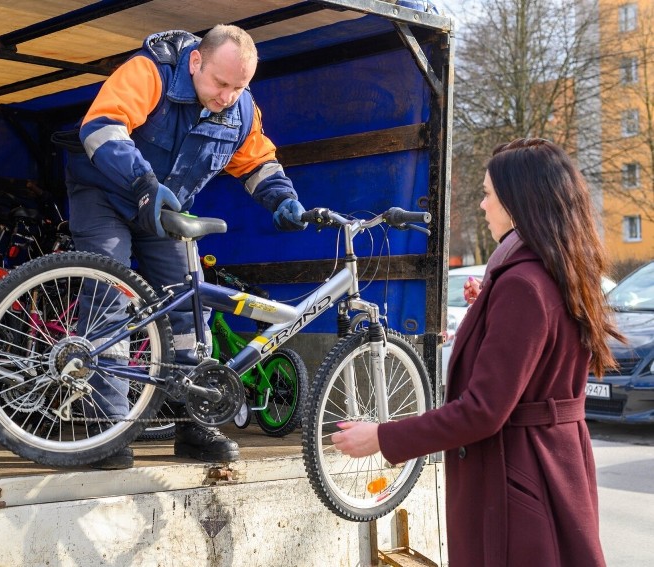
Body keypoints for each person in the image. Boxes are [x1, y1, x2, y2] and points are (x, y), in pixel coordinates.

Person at [332, 138, 622, 566]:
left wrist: (381, 436)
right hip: (554, 467)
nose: (483, 206)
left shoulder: (522, 284)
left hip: (518, 478)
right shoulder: (557, 267)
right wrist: (488, 306)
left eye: (488, 194)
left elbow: (484, 410)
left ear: (517, 200)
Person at [63, 25, 307, 469]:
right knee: (109, 297)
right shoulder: (149, 72)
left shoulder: (241, 109)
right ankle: (108, 428)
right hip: (105, 196)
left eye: (239, 87)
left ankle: (192, 424)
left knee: (188, 307)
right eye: (220, 83)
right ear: (196, 62)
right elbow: (101, 128)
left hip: (166, 207)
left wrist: (282, 198)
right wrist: (142, 183)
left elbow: (257, 161)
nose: (228, 96)